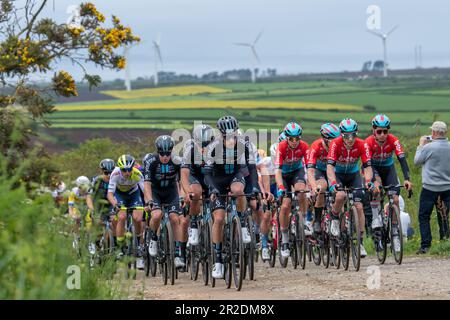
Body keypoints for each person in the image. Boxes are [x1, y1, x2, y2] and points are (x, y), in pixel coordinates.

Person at [203, 115, 259, 279]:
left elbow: (252, 168)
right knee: (219, 219)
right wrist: (212, 189)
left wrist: (254, 187)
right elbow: (207, 174)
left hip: (235, 175)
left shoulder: (244, 144)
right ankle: (218, 260)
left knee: (238, 190)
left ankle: (242, 223)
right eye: (227, 134)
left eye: (233, 133)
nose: (231, 137)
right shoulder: (213, 147)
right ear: (221, 134)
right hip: (217, 180)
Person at [365, 114, 413, 253]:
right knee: (377, 189)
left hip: (388, 169)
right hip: (373, 169)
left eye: (385, 131)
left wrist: (407, 178)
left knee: (396, 199)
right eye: (379, 131)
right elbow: (365, 164)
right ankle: (376, 218)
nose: (382, 135)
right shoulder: (368, 142)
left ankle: (395, 234)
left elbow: (402, 160)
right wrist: (371, 182)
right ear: (373, 130)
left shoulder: (393, 140)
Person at [327, 118, 374, 258]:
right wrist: (333, 182)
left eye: (353, 135)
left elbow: (368, 167)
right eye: (347, 136)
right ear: (342, 135)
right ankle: (334, 218)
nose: (350, 139)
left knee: (359, 206)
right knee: (341, 196)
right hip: (339, 175)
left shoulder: (362, 144)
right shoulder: (335, 144)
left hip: (353, 175)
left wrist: (368, 181)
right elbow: (330, 167)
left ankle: (359, 241)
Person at [143, 135, 185, 269]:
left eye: (168, 153)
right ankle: (153, 238)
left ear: (172, 151)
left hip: (171, 192)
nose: (165, 156)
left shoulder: (177, 161)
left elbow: (182, 181)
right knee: (156, 215)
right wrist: (149, 200)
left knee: (174, 218)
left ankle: (178, 254)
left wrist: (182, 196)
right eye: (162, 153)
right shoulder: (151, 161)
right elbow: (147, 184)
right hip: (155, 193)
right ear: (157, 151)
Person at [275, 121, 309, 262]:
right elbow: (277, 171)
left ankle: (304, 219)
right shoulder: (281, 147)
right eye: (291, 139)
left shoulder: (304, 146)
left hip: (297, 172)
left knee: (302, 191)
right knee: (285, 205)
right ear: (286, 137)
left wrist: (311, 187)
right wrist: (281, 188)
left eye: (297, 138)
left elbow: (309, 168)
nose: (294, 142)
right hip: (283, 175)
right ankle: (285, 240)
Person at [414, 121, 450, 254]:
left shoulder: (428, 148)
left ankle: (425, 246)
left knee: (424, 216)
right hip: (447, 188)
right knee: (444, 216)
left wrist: (420, 145)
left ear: (434, 133)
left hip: (430, 188)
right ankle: (445, 242)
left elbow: (417, 161)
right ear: (444, 133)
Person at [180, 124, 215, 247]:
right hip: (194, 177)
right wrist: (187, 192)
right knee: (196, 192)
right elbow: (183, 175)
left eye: (207, 144)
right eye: (200, 144)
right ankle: (194, 225)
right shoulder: (189, 149)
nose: (204, 148)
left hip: (211, 177)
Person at [107, 154, 145, 267]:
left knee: (138, 218)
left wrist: (149, 203)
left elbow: (145, 191)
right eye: (124, 170)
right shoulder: (115, 173)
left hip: (134, 194)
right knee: (122, 217)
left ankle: (138, 244)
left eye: (129, 170)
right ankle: (119, 246)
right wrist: (115, 204)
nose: (127, 173)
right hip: (119, 196)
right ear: (120, 168)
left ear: (132, 168)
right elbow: (109, 194)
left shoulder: (138, 174)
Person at [307, 123, 340, 234]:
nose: (335, 142)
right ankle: (317, 220)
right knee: (323, 187)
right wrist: (314, 186)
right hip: (320, 171)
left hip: (334, 171)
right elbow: (310, 170)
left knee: (340, 191)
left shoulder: (339, 145)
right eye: (332, 139)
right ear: (325, 139)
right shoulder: (316, 146)